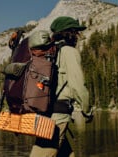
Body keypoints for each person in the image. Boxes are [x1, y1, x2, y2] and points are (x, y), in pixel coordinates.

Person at [30, 16, 90, 157]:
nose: (78, 36)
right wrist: (87, 110)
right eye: (76, 32)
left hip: (47, 113)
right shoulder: (69, 51)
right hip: (58, 117)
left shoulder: (52, 53)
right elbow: (78, 85)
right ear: (70, 33)